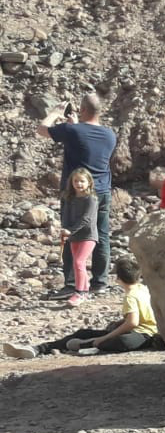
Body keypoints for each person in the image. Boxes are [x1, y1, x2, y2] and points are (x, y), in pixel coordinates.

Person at [37, 93, 116, 299]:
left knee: (70, 233)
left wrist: (55, 113)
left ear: (82, 110)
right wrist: (75, 126)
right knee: (101, 235)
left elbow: (42, 129)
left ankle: (72, 284)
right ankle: (100, 282)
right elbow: (87, 146)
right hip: (102, 191)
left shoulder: (72, 130)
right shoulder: (109, 134)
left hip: (75, 193)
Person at [3, 257, 162, 358]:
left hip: (142, 335)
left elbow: (133, 322)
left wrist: (104, 337)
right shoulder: (144, 289)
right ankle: (42, 348)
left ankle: (85, 344)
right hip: (151, 332)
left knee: (119, 341)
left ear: (118, 279)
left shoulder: (130, 296)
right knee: (86, 333)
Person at [59, 168, 99, 307]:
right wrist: (64, 230)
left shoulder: (91, 199)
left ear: (89, 182)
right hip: (74, 236)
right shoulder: (69, 198)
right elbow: (65, 215)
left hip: (88, 235)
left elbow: (86, 218)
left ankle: (79, 292)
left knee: (79, 262)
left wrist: (70, 231)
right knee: (77, 264)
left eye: (82, 181)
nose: (79, 184)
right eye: (76, 181)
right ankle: (84, 290)